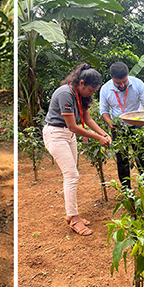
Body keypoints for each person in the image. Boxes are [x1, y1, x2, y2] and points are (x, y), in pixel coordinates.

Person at [43, 63, 112, 236]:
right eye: (90, 90)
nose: (91, 94)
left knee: (72, 175)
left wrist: (104, 133)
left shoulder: (80, 94)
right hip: (57, 134)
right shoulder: (65, 93)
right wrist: (98, 138)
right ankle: (73, 218)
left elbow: (87, 118)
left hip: (69, 136)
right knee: (72, 175)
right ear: (81, 83)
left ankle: (71, 213)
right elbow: (73, 126)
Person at [99, 61, 144, 188]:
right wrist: (109, 123)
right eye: (118, 83)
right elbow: (104, 111)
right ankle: (126, 191)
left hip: (137, 125)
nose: (122, 85)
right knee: (122, 161)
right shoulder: (105, 89)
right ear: (112, 78)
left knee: (142, 157)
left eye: (124, 81)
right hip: (117, 128)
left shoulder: (138, 84)